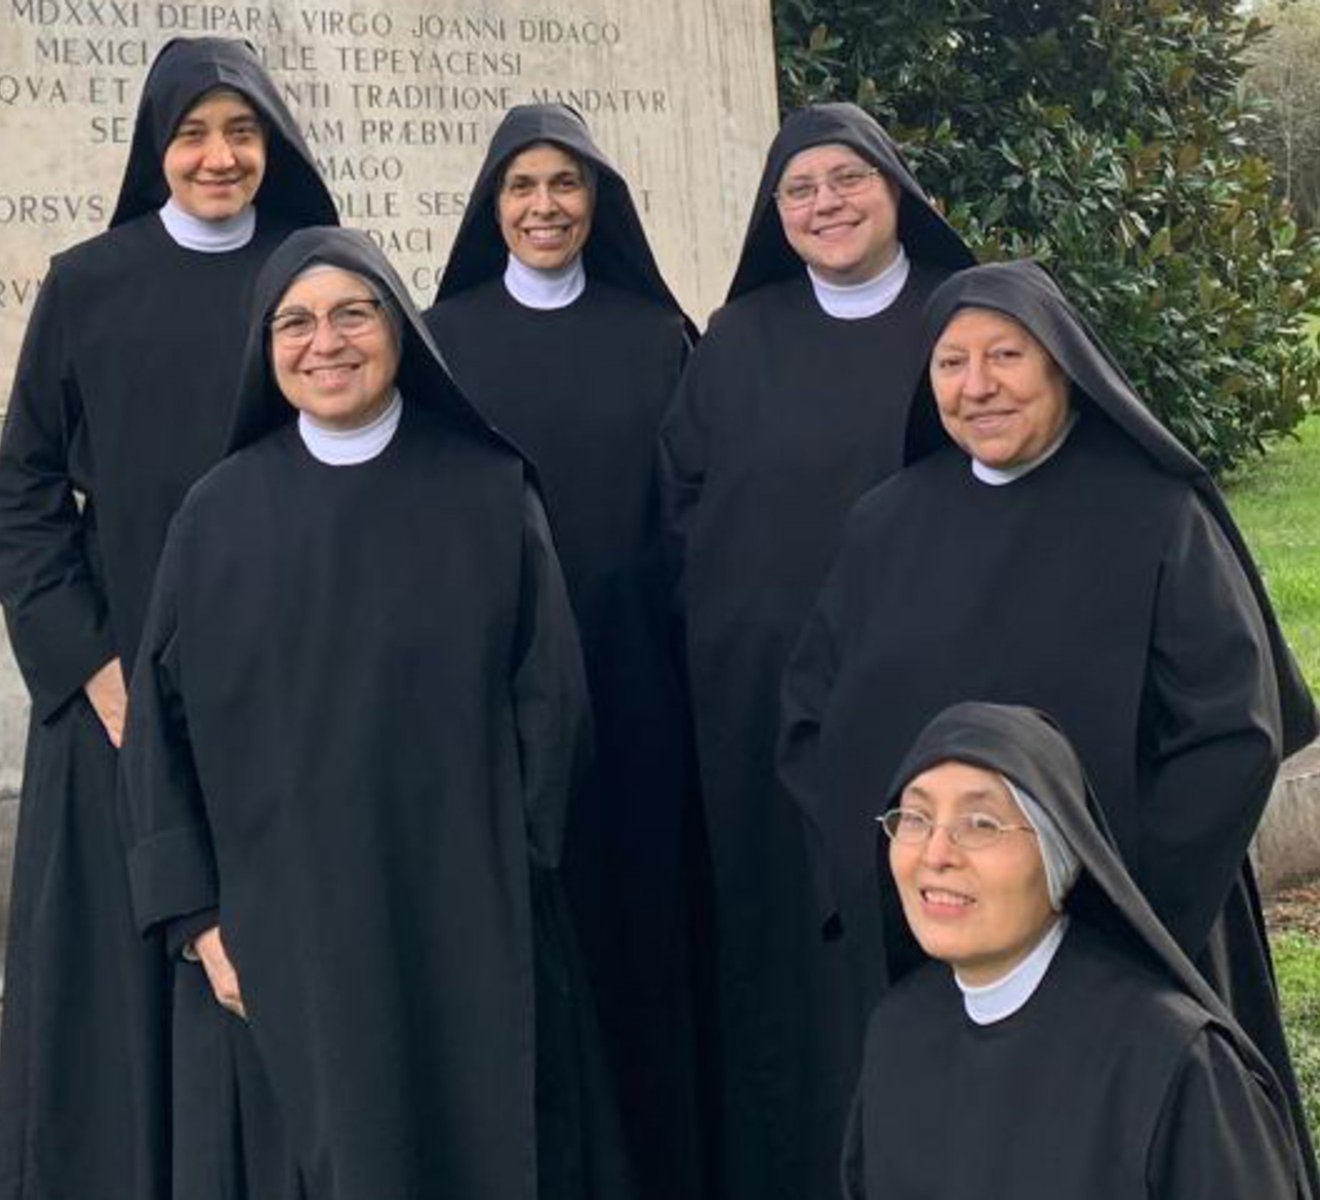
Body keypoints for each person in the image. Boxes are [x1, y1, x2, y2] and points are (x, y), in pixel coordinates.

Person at [779, 259, 1320, 1194]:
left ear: (1065, 366)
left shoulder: (1156, 511)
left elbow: (1231, 727)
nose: (977, 385)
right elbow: (811, 717)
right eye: (951, 363)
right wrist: (894, 875)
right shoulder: (885, 523)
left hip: (1135, 925)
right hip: (951, 937)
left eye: (1006, 355)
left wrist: (1113, 896)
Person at [121, 226, 632, 1200]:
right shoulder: (217, 514)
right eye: (297, 323)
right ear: (266, 351)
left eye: (353, 314)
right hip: (281, 928)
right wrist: (198, 920)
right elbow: (160, 733)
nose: (327, 343)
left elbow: (551, 706)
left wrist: (510, 872)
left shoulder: (488, 493)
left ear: (398, 330)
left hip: (466, 916)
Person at [0, 37, 336, 1200]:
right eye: (192, 134)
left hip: (282, 694)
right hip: (119, 708)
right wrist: (93, 666)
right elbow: (22, 497)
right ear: (155, 150)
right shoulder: (88, 282)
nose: (219, 157)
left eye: (241, 133)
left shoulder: (310, 278)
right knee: (120, 1000)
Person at [657, 101, 974, 1200]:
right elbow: (681, 504)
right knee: (790, 953)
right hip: (757, 702)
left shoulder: (960, 323)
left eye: (847, 181)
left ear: (897, 191)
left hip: (934, 686)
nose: (825, 205)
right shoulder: (736, 337)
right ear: (772, 213)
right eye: (799, 190)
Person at [426, 102, 702, 1200]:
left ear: (599, 202)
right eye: (521, 188)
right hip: (499, 697)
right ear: (492, 208)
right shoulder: (444, 338)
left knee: (640, 930)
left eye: (565, 186)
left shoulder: (656, 337)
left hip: (638, 686)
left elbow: (691, 515)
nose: (544, 208)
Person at [845, 701, 1311, 1199]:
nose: (936, 854)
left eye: (980, 823)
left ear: (1059, 855)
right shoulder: (897, 1031)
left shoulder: (1173, 1059)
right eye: (915, 818)